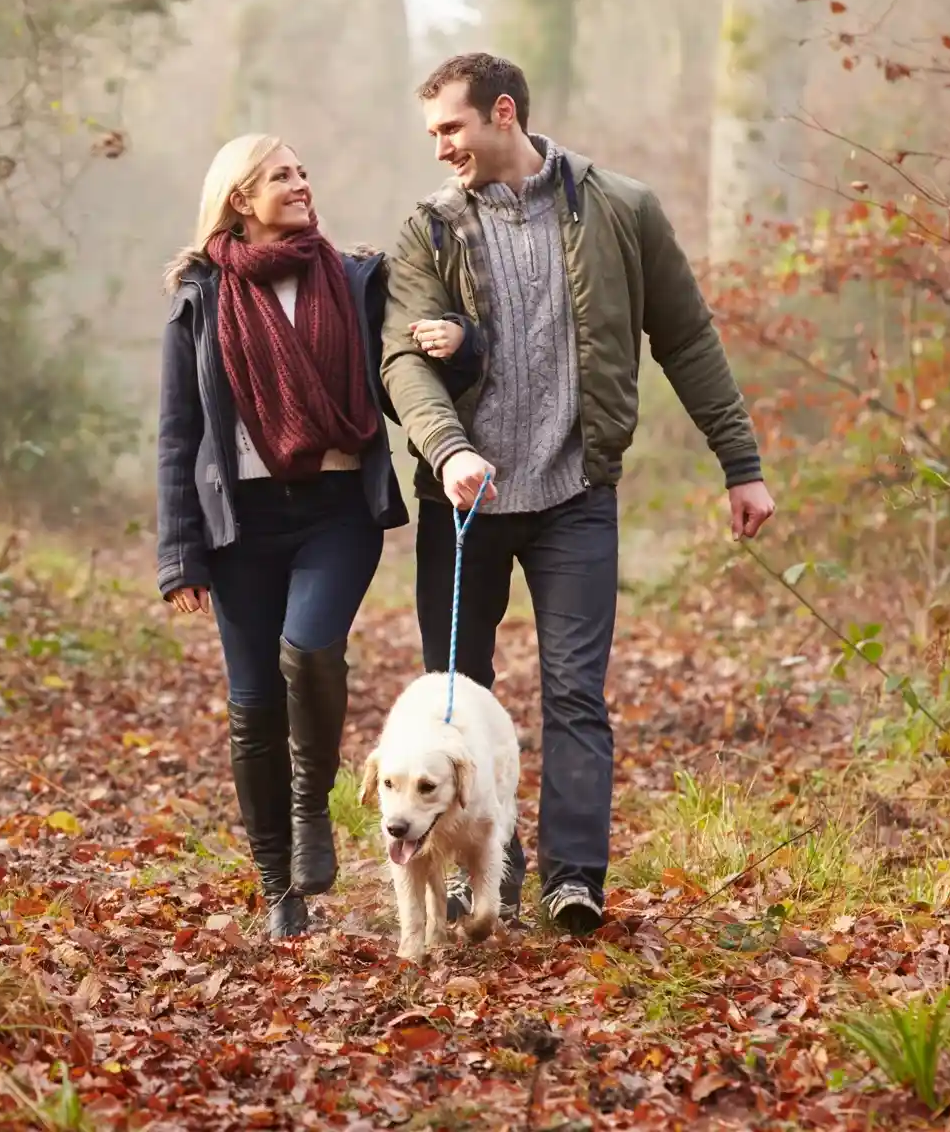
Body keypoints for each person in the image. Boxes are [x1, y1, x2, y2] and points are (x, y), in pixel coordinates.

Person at [379, 54, 777, 936]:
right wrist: (445, 452)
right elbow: (402, 360)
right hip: (464, 503)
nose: (442, 148)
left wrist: (739, 463)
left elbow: (688, 339)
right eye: (433, 133)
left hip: (575, 496)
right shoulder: (428, 232)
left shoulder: (621, 209)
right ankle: (470, 879)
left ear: (504, 113)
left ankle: (572, 880)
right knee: (455, 699)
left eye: (452, 128)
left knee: (575, 694)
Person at [156, 134, 474, 938]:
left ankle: (312, 806)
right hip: (240, 527)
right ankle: (278, 890)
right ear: (239, 198)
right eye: (282, 177)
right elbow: (177, 432)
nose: (302, 185)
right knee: (253, 705)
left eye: (302, 173)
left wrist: (458, 351)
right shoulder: (200, 295)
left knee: (309, 649)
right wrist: (180, 552)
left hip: (335, 510)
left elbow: (409, 376)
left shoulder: (356, 278)